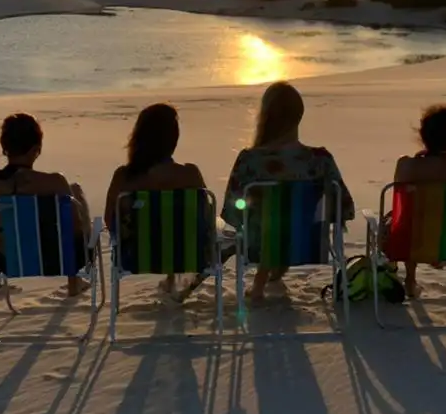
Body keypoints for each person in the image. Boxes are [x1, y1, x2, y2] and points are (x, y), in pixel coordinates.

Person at [222, 81, 355, 304]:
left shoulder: (250, 161)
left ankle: (262, 282)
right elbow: (344, 207)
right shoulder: (320, 160)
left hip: (260, 245)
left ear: (266, 116)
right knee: (290, 218)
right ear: (299, 115)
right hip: (308, 244)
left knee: (269, 221)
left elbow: (233, 213)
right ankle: (274, 274)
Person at [0, 113, 92, 296]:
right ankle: (74, 281)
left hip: (8, 261)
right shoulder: (55, 183)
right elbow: (75, 229)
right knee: (75, 192)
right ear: (36, 149)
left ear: (4, 147)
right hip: (59, 260)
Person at [104, 103, 206, 296]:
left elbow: (110, 221)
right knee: (179, 224)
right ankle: (174, 277)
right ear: (173, 139)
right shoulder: (190, 175)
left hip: (135, 257)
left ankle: (170, 278)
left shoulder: (124, 178)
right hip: (189, 256)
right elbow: (204, 218)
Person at [389, 104, 446, 298]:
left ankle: (410, 278)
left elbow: (403, 206)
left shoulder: (406, 165)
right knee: (427, 219)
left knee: (406, 218)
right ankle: (412, 278)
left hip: (406, 242)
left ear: (423, 134)